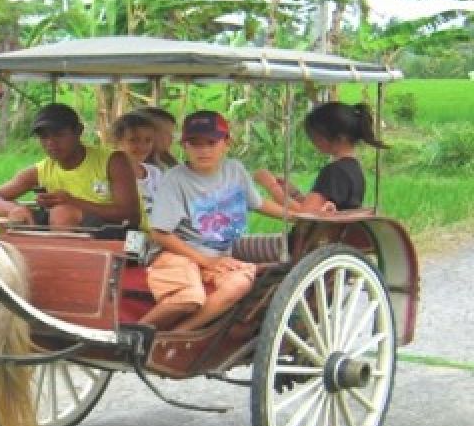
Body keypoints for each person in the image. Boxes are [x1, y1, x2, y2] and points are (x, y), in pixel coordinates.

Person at [140, 110, 288, 332]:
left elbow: (258, 203)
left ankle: (182, 333)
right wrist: (205, 261)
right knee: (189, 297)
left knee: (239, 284)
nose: (204, 150)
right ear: (185, 147)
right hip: (177, 254)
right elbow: (159, 234)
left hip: (219, 258)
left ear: (226, 143)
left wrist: (296, 216)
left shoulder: (234, 170)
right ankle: (134, 333)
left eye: (211, 142)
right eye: (195, 144)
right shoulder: (175, 180)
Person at [0, 102, 140, 228]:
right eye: (44, 137)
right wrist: (12, 210)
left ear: (79, 131)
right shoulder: (41, 170)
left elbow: (130, 215)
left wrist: (72, 202)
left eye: (59, 135)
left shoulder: (113, 161)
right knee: (15, 219)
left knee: (62, 213)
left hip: (112, 234)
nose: (51, 143)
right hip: (65, 230)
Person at [253, 101, 388, 213]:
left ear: (340, 138)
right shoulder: (353, 169)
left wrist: (270, 186)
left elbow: (305, 214)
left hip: (312, 243)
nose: (313, 141)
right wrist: (294, 193)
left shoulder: (334, 172)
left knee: (243, 245)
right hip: (333, 240)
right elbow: (319, 209)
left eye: (317, 136)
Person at [110, 111, 162, 225]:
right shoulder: (108, 174)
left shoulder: (155, 173)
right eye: (133, 140)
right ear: (117, 142)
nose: (142, 147)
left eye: (148, 140)